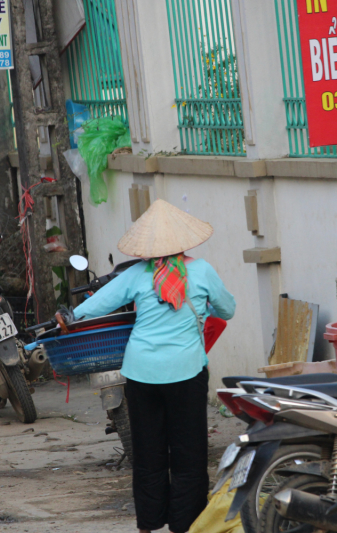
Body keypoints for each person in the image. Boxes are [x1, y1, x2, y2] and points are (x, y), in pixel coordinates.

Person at [58, 199, 236, 533]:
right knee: (189, 453)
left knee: (148, 451)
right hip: (186, 373)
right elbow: (227, 310)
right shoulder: (202, 271)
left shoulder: (137, 274)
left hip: (141, 375)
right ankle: (187, 525)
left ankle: (148, 525)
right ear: (183, 241)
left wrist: (71, 315)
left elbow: (99, 303)